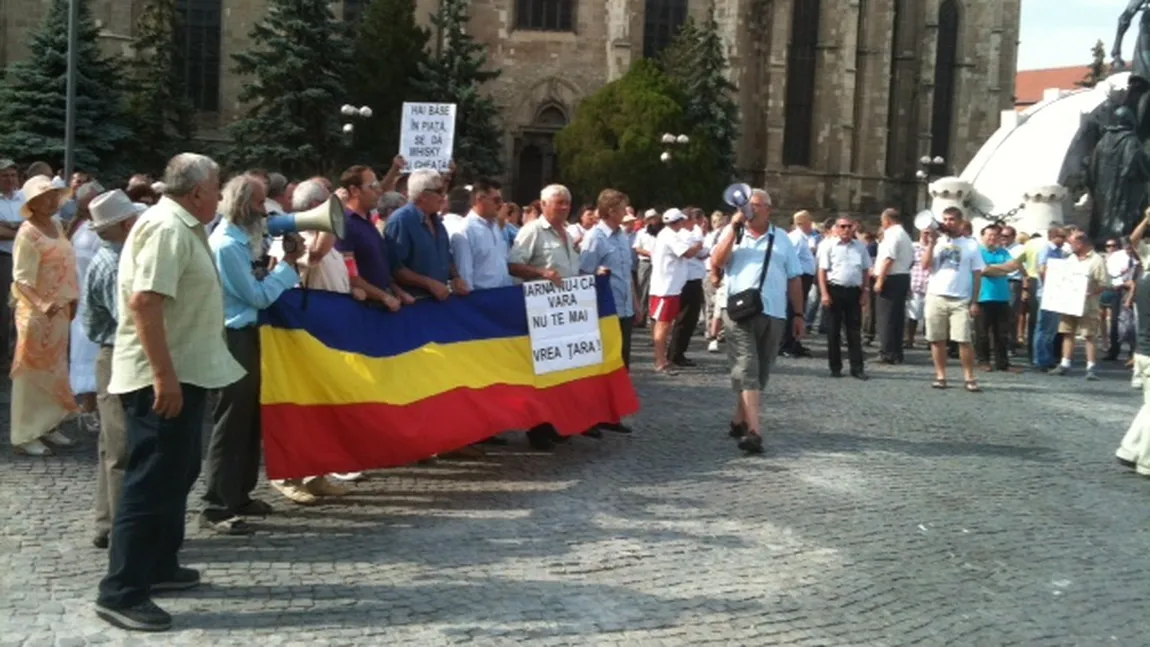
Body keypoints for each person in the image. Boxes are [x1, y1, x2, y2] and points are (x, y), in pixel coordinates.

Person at [96, 153, 245, 632]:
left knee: (178, 471)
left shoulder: (181, 224)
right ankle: (121, 591)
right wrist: (164, 377)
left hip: (185, 372)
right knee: (151, 480)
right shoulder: (167, 227)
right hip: (162, 379)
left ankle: (158, 565)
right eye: (217, 186)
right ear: (198, 191)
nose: (221, 195)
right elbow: (144, 302)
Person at [201, 174, 304, 535]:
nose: (265, 211)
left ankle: (239, 494)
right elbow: (257, 297)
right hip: (234, 336)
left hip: (248, 334)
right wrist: (289, 267)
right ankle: (216, 504)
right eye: (260, 204)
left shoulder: (242, 242)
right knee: (231, 419)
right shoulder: (227, 246)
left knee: (248, 419)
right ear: (244, 206)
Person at [709, 188, 804, 455]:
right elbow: (716, 262)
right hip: (739, 312)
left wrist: (799, 314)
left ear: (768, 209)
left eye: (755, 206)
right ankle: (755, 431)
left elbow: (794, 278)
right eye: (746, 206)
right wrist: (733, 228)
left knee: (761, 371)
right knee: (747, 367)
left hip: (774, 312)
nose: (749, 210)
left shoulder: (783, 240)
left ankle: (739, 420)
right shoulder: (733, 235)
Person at [83, 189, 144, 549]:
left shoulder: (114, 258)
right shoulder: (117, 264)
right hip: (119, 354)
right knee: (121, 445)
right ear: (125, 224)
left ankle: (108, 522)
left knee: (111, 444)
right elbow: (129, 322)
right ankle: (123, 528)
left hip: (112, 353)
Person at [8, 175, 78, 456]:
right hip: (35, 313)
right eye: (43, 197)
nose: (50, 201)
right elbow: (21, 279)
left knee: (56, 369)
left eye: (53, 196)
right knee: (30, 371)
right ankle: (24, 433)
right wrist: (42, 304)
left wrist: (70, 299)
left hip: (59, 311)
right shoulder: (27, 233)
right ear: (32, 203)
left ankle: (48, 424)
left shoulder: (57, 225)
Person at [509, 184, 580, 451]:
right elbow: (513, 265)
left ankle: (554, 423)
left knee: (560, 372)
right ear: (543, 204)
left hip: (566, 313)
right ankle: (537, 429)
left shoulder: (568, 233)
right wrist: (541, 273)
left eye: (567, 203)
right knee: (540, 373)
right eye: (558, 203)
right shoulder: (532, 231)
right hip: (540, 313)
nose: (564, 207)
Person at [921, 207, 986, 392]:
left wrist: (975, 300)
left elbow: (977, 275)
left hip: (960, 299)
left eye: (951, 220)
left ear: (959, 222)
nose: (947, 223)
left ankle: (969, 377)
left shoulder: (971, 245)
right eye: (945, 219)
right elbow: (925, 266)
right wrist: (931, 244)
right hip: (936, 295)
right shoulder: (938, 242)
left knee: (963, 339)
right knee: (936, 338)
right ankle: (941, 376)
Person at [817, 217, 872, 379]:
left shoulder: (860, 247)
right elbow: (822, 271)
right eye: (842, 226)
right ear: (837, 228)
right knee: (833, 331)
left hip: (854, 291)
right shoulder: (829, 246)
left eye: (849, 226)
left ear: (853, 228)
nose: (846, 229)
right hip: (834, 290)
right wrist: (824, 293)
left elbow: (865, 270)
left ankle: (857, 368)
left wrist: (866, 291)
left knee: (854, 332)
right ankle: (835, 367)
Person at [873, 208, 914, 363]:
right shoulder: (905, 235)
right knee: (897, 316)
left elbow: (888, 258)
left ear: (887, 221)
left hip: (891, 278)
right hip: (902, 276)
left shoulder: (892, 234)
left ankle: (887, 352)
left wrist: (880, 280)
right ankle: (896, 351)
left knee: (886, 316)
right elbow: (911, 260)